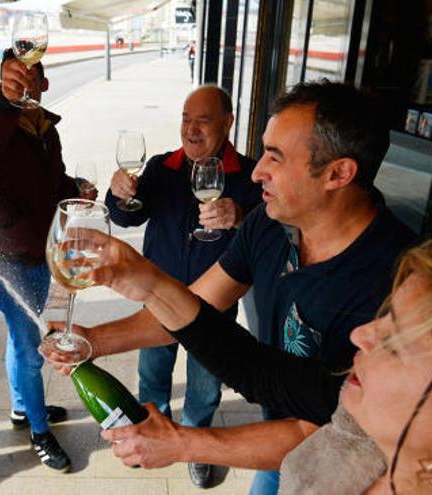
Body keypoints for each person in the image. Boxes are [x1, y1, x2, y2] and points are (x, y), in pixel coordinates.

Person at [67, 79, 416, 494]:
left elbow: (327, 429)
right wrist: (90, 339)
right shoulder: (269, 223)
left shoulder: (399, 285)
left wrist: (181, 443)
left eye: (276, 157)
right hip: (274, 430)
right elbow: (197, 309)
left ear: (338, 173)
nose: (257, 171)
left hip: (340, 468)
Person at [86, 232, 432, 494]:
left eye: (397, 343)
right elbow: (254, 369)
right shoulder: (361, 423)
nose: (361, 334)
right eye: (387, 316)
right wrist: (149, 282)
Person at [103, 84, 262, 488]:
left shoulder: (248, 175)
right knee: (152, 376)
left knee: (206, 386)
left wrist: (241, 217)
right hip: (158, 301)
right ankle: (152, 435)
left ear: (227, 123)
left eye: (203, 121)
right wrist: (118, 194)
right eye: (185, 120)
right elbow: (126, 219)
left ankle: (195, 446)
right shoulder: (162, 167)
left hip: (213, 306)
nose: (191, 130)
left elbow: (270, 232)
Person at [0, 49, 91, 473]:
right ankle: (40, 433)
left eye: (30, 79)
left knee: (22, 342)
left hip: (44, 251)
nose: (24, 86)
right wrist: (1, 100)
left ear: (44, 83)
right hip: (9, 257)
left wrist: (75, 188)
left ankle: (23, 409)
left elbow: (50, 181)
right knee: (30, 347)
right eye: (13, 80)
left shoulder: (45, 129)